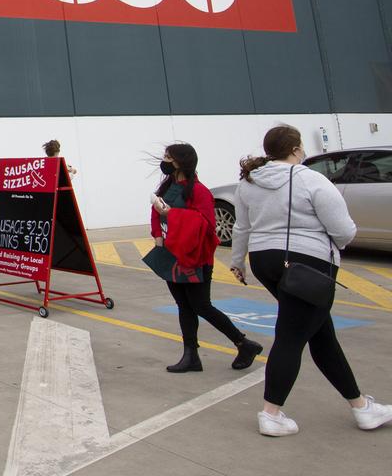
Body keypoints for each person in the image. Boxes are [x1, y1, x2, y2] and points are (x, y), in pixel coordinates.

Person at [229, 125, 392, 436]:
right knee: (292, 335)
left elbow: (241, 228)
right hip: (307, 264)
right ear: (295, 149)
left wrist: (237, 262)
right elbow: (343, 231)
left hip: (265, 261)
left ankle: (361, 407)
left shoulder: (249, 183)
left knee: (319, 332)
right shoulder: (310, 179)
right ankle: (271, 413)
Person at [150, 144, 261, 374]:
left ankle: (243, 343)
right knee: (183, 306)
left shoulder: (199, 191)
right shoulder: (168, 185)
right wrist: (158, 236)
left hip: (194, 258)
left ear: (180, 161)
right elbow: (156, 214)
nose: (164, 160)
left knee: (201, 305)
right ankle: (191, 354)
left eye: (168, 157)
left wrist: (171, 214)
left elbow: (206, 225)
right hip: (171, 255)